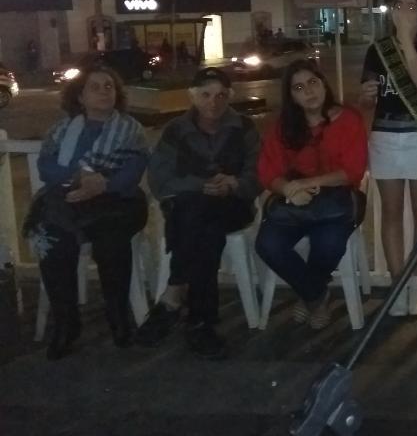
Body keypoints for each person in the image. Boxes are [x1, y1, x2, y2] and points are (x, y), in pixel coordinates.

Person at [25, 65, 149, 359]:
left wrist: (103, 184)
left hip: (120, 200)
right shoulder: (63, 128)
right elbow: (47, 167)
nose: (105, 91)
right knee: (54, 241)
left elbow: (133, 171)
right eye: (95, 87)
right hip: (71, 197)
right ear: (80, 97)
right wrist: (80, 178)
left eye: (109, 86)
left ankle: (118, 318)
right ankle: (66, 324)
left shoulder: (130, 128)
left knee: (112, 242)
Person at [136, 67, 262, 358]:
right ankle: (200, 320)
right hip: (190, 208)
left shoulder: (243, 128)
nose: (213, 102)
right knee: (204, 222)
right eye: (205, 95)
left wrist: (234, 184)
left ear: (229, 96)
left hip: (231, 205)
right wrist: (199, 185)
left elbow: (257, 173)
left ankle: (173, 295)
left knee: (200, 217)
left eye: (220, 95)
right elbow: (159, 179)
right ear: (193, 97)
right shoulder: (176, 131)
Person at [255, 60, 368, 330]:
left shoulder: (348, 120)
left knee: (328, 242)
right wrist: (289, 189)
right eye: (299, 87)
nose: (309, 91)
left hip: (336, 202)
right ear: (291, 96)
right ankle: (316, 295)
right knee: (267, 244)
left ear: (324, 84)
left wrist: (310, 183)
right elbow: (268, 171)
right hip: (294, 203)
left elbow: (352, 171)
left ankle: (309, 296)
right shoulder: (284, 127)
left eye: (313, 82)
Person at [359, 0, 417, 317]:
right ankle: (398, 284)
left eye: (411, 6)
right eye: (398, 5)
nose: (403, 11)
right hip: (384, 136)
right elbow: (369, 98)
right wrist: (367, 95)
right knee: (392, 213)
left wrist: (407, 39)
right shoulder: (378, 50)